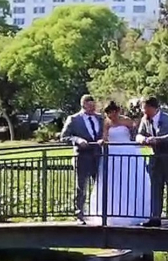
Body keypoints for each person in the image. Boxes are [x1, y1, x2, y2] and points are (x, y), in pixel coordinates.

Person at [85, 101, 151, 226]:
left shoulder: (126, 121)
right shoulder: (106, 123)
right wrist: (102, 141)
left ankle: (134, 211)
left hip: (127, 151)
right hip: (112, 153)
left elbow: (135, 135)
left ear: (117, 111)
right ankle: (111, 212)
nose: (111, 116)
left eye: (113, 112)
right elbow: (104, 137)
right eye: (109, 113)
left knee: (130, 180)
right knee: (112, 183)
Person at [136, 97, 168, 228]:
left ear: (152, 108)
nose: (143, 111)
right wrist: (143, 139)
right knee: (156, 189)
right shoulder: (144, 120)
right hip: (155, 159)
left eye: (144, 108)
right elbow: (139, 134)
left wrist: (157, 140)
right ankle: (155, 217)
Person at [60, 94, 103, 225]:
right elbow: (64, 137)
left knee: (100, 186)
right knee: (81, 187)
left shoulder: (100, 118)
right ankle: (79, 214)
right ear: (83, 104)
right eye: (90, 105)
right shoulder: (73, 119)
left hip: (98, 157)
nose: (92, 107)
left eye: (94, 105)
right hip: (82, 157)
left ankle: (101, 213)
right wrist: (78, 140)